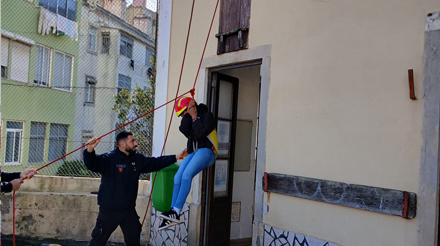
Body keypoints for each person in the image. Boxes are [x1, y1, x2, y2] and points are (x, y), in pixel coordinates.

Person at [84, 131, 186, 246]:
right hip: (109, 211)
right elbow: (92, 164)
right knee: (98, 241)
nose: (136, 143)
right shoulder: (110, 158)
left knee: (134, 240)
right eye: (132, 141)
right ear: (122, 144)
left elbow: (155, 162)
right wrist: (90, 150)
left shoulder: (137, 159)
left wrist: (176, 156)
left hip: (128, 211)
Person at [158, 97, 218, 230]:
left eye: (184, 113)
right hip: (195, 152)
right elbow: (183, 129)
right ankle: (173, 211)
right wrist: (189, 115)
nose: (183, 116)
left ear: (193, 108)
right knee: (177, 177)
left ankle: (177, 210)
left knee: (186, 175)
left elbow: (201, 132)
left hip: (208, 151)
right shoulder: (189, 119)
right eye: (182, 115)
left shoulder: (207, 116)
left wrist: (194, 116)